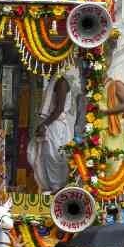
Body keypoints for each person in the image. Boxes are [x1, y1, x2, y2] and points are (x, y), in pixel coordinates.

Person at [27, 63, 79, 193]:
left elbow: (59, 109)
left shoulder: (61, 82)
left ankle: (57, 189)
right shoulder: (54, 80)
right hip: (51, 124)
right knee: (45, 156)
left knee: (54, 157)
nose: (41, 68)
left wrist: (45, 125)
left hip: (55, 125)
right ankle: (50, 188)